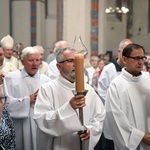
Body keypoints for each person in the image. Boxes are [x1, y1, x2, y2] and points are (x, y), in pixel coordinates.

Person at [34, 47, 106, 150]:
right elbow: (42, 120)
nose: (75, 65)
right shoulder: (47, 89)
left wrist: (91, 129)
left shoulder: (88, 89)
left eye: (77, 61)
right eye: (70, 61)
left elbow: (99, 115)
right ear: (59, 66)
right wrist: (69, 108)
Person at [3, 47, 50, 150]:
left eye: (37, 60)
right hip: (19, 125)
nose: (35, 63)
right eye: (31, 60)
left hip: (39, 125)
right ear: (22, 61)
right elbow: (5, 105)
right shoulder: (11, 78)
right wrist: (28, 100)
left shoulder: (46, 81)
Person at [105, 43, 150, 150]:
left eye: (142, 58)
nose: (140, 62)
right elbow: (114, 118)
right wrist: (140, 137)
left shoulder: (148, 79)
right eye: (136, 58)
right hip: (131, 144)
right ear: (124, 59)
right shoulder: (116, 85)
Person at [98, 39, 133, 150]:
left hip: (129, 118)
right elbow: (102, 92)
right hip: (112, 117)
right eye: (126, 51)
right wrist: (118, 105)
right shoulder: (109, 69)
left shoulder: (132, 69)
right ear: (119, 52)